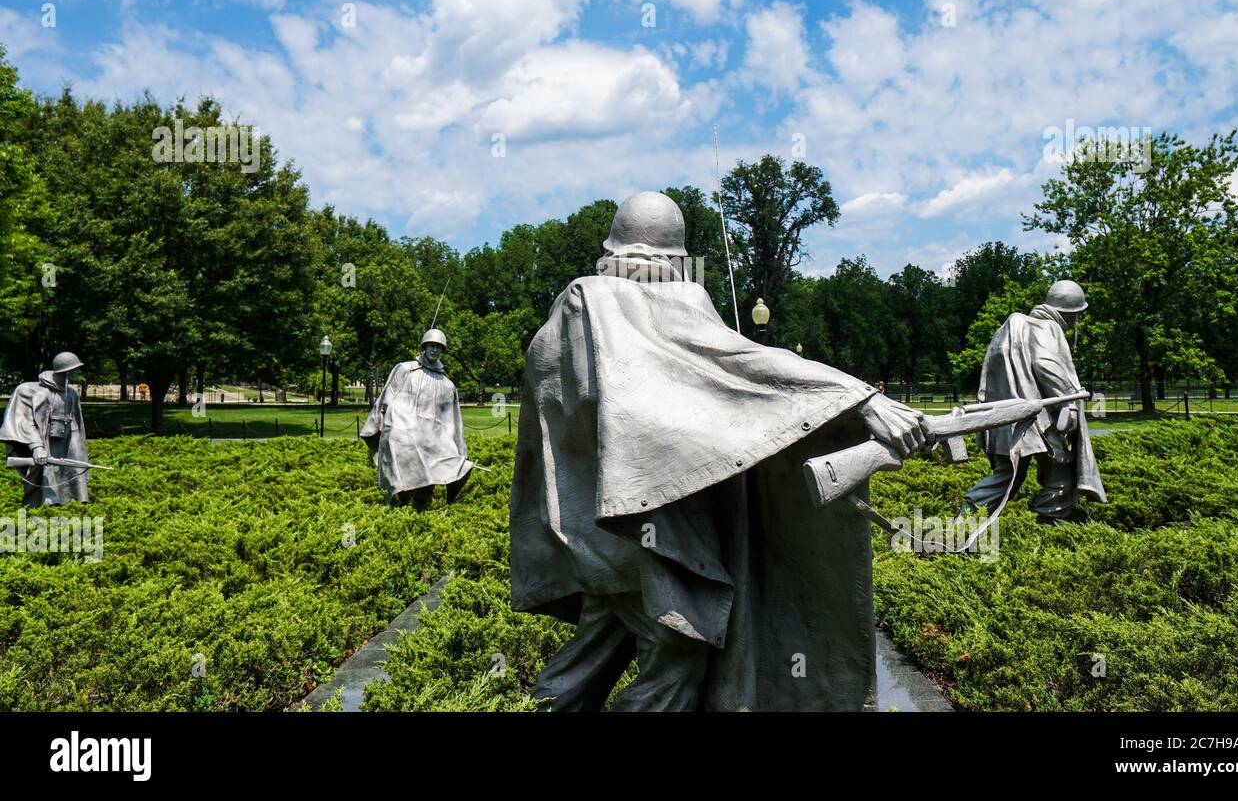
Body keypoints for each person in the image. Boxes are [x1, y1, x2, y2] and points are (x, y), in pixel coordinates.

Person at [510, 191, 929, 711]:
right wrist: (858, 399)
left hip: (600, 527)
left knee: (599, 646)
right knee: (680, 643)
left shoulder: (573, 308)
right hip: (648, 527)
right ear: (679, 258)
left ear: (611, 245)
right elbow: (740, 369)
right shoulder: (620, 304)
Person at [960, 280, 1105, 523]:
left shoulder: (1009, 328)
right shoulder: (1048, 328)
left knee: (1008, 475)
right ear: (1069, 314)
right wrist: (1068, 403)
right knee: (1063, 474)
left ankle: (967, 517)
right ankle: (1050, 521)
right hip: (1038, 422)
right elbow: (1046, 365)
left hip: (1006, 421)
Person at [361, 328, 473, 508]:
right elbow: (388, 400)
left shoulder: (447, 385)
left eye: (439, 347)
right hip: (402, 431)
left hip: (433, 439)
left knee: (441, 464)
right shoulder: (405, 369)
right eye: (431, 346)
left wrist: (457, 449)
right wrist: (386, 425)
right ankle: (401, 500)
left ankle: (423, 503)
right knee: (403, 450)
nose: (435, 350)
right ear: (423, 347)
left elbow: (452, 422)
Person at [0, 352, 92, 507]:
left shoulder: (71, 394)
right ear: (66, 370)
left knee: (70, 477)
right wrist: (37, 447)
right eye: (76, 368)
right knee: (44, 480)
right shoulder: (29, 390)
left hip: (67, 443)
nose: (79, 372)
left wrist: (79, 455)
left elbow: (77, 426)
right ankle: (42, 510)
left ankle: (70, 506)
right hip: (42, 442)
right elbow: (24, 421)